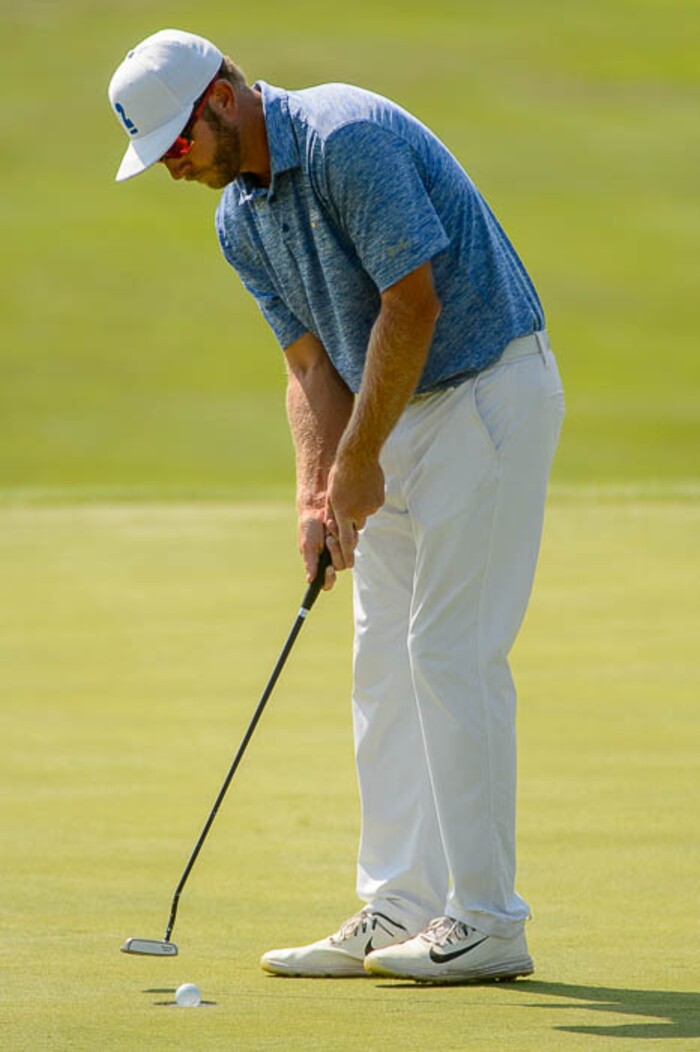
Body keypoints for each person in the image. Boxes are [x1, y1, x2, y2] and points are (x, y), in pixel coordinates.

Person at [108, 28, 565, 984]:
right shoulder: (240, 217)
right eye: (158, 160)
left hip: (487, 392)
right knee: (380, 662)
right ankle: (400, 901)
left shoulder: (345, 136)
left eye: (178, 146)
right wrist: (320, 490)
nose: (174, 169)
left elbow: (414, 304)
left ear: (222, 96)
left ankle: (487, 919)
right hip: (392, 412)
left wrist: (358, 461)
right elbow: (310, 361)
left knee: (449, 651)